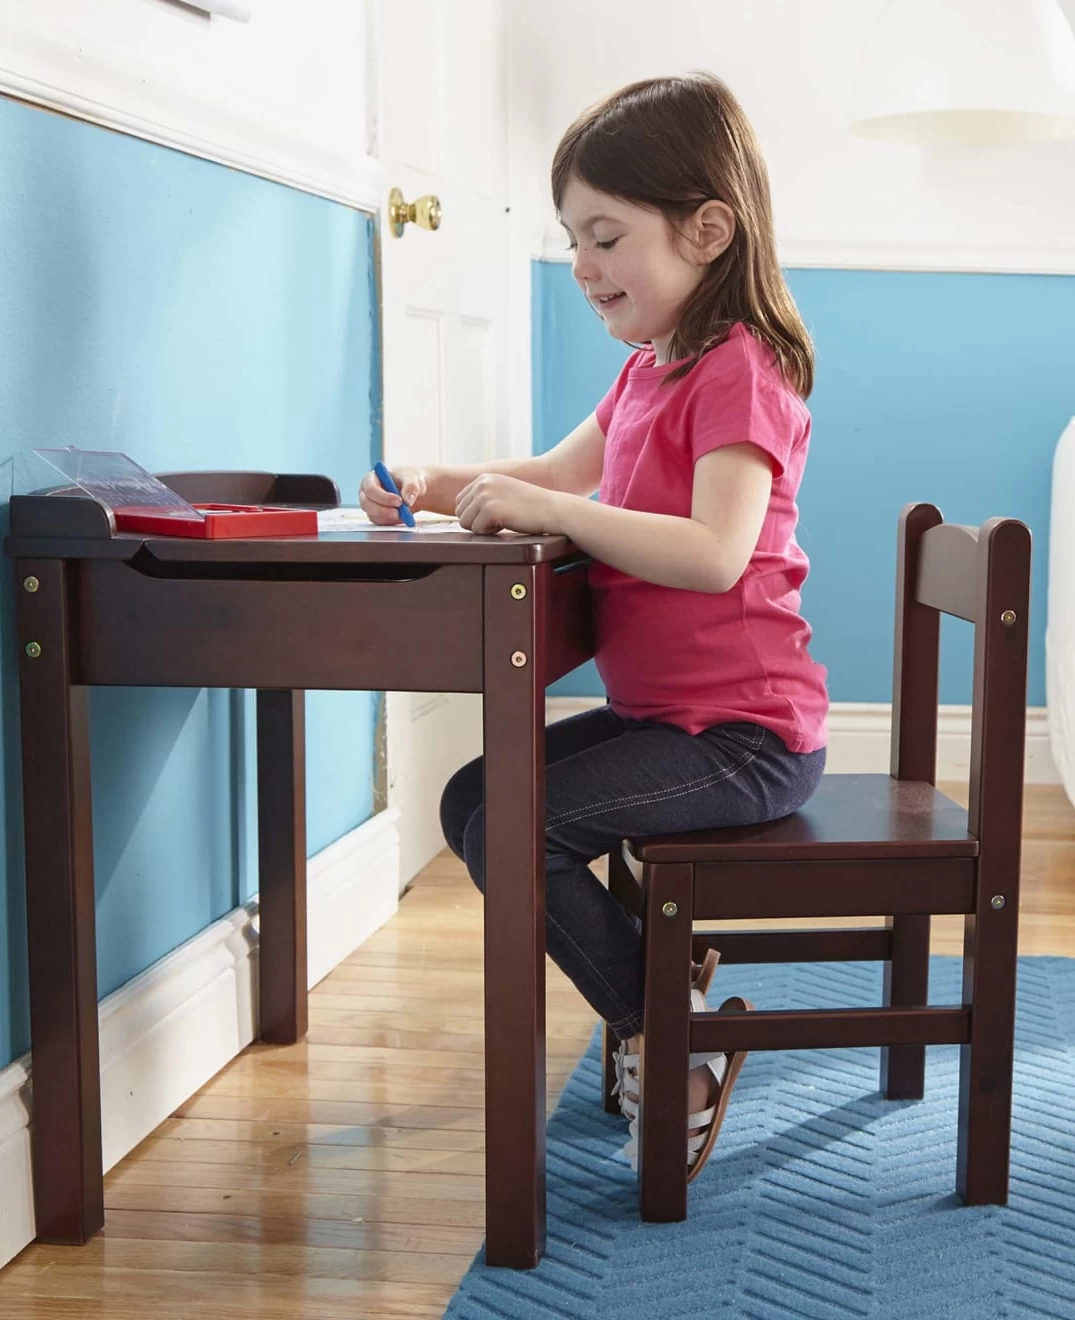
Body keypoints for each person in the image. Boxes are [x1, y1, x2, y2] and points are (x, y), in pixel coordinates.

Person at [359, 72, 828, 1180]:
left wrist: (560, 515)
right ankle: (662, 1000)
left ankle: (669, 1031)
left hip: (746, 737)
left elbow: (714, 552)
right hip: (665, 719)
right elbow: (551, 474)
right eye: (573, 239)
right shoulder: (645, 374)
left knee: (515, 827)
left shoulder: (741, 371)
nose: (582, 264)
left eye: (606, 237)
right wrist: (431, 482)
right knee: (471, 800)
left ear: (708, 231)